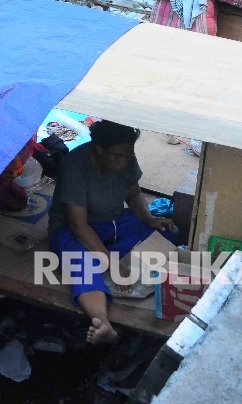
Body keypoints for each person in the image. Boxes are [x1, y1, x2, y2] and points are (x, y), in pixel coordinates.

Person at [48, 121, 179, 345]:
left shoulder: (125, 157)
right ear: (99, 150)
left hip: (115, 221)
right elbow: (79, 226)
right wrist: (111, 263)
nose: (124, 161)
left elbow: (134, 194)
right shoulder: (75, 165)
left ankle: (103, 256)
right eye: (117, 157)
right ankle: (102, 322)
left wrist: (150, 219)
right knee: (82, 263)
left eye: (128, 156)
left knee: (170, 232)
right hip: (74, 228)